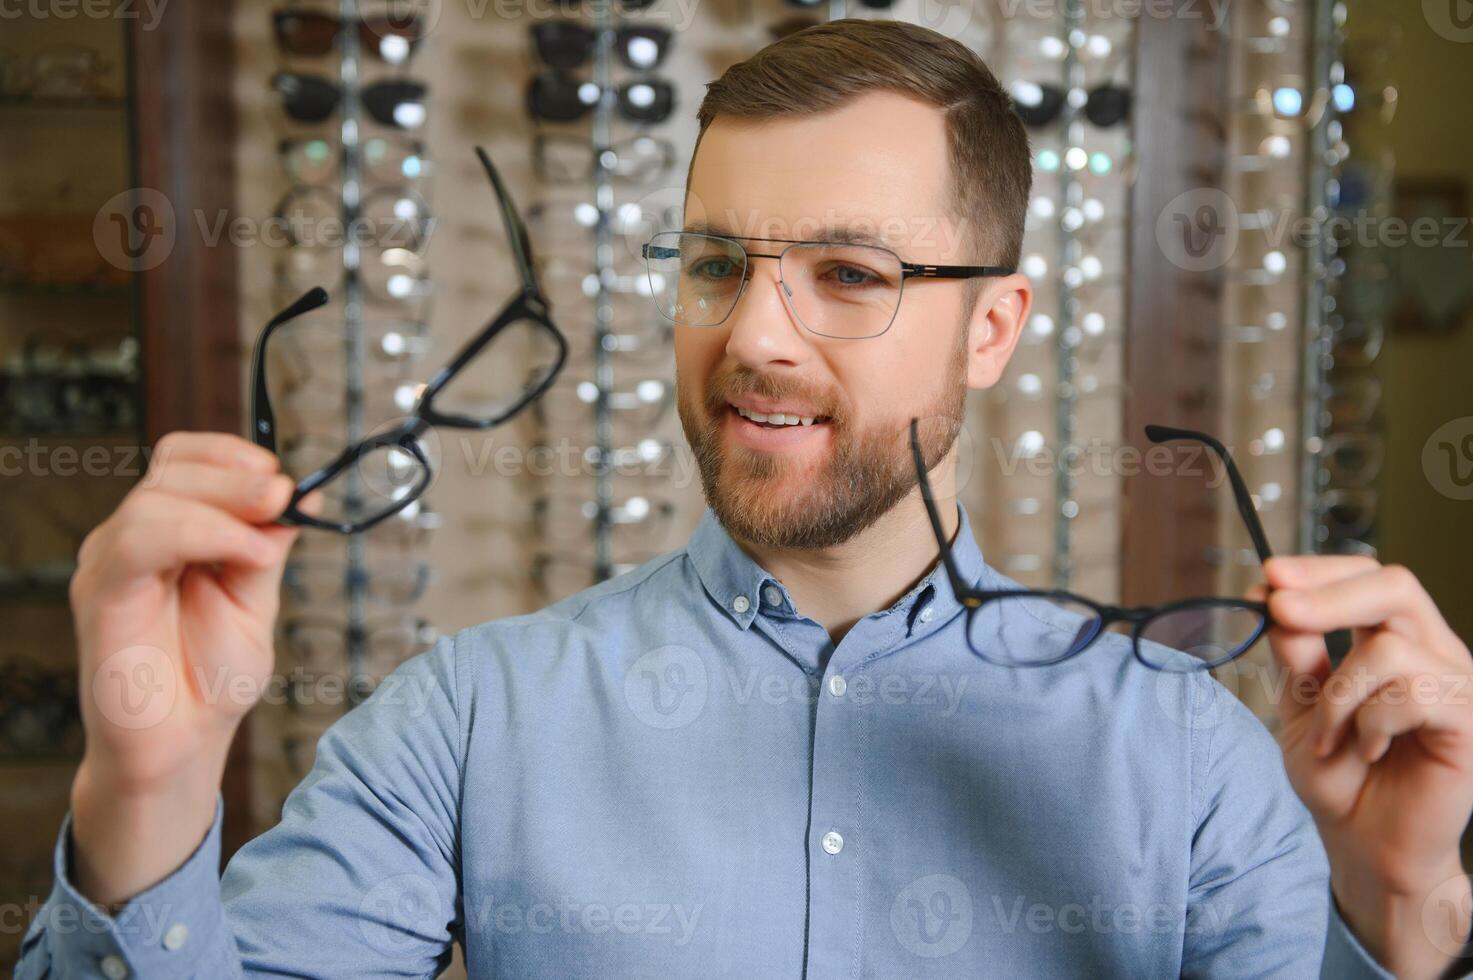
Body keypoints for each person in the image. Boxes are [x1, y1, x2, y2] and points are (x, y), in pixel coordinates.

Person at [18, 19, 1473, 979]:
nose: (756, 337)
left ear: (992, 327)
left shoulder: (1195, 765)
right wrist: (142, 790)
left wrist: (1398, 908)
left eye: (848, 273)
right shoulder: (467, 719)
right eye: (716, 265)